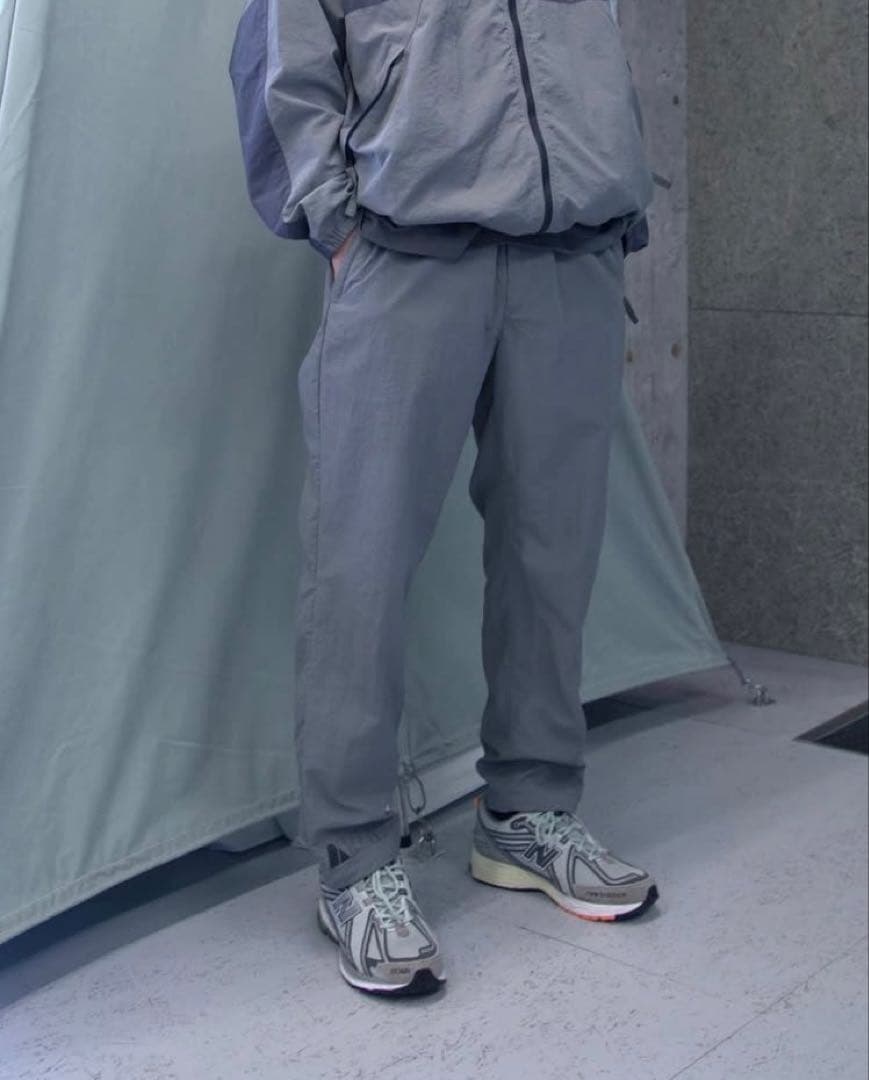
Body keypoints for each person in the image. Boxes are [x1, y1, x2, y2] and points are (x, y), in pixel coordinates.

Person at [229, 0, 659, 998]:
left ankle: (527, 809)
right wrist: (338, 222)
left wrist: (617, 193)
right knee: (359, 567)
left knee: (552, 554)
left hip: (572, 254)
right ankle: (354, 860)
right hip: (405, 254)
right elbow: (280, 64)